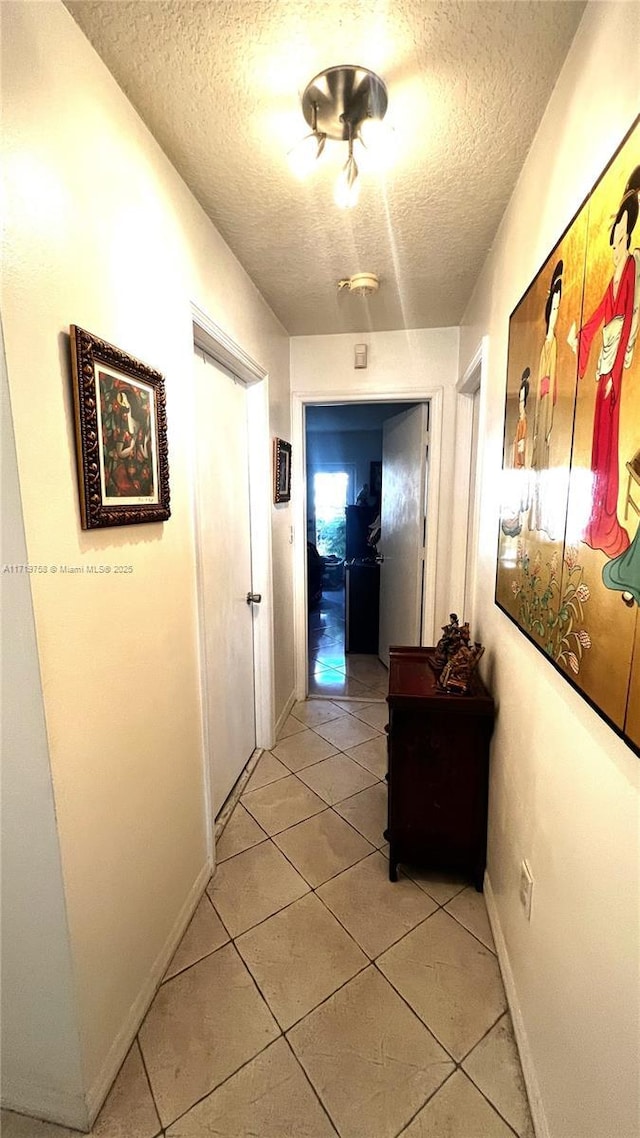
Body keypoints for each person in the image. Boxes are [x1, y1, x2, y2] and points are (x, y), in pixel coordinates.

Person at [568, 165, 640, 558]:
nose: (617, 249)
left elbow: (627, 319)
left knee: (609, 450)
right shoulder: (612, 277)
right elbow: (597, 316)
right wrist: (578, 335)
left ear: (629, 239)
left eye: (622, 241)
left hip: (611, 374)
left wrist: (613, 373)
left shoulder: (630, 271)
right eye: (614, 243)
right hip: (602, 372)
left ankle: (608, 521)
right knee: (597, 449)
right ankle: (595, 520)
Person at [529, 260, 562, 535]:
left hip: (548, 423)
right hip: (540, 423)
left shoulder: (556, 350)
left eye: (558, 309)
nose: (555, 314)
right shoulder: (544, 351)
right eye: (553, 308)